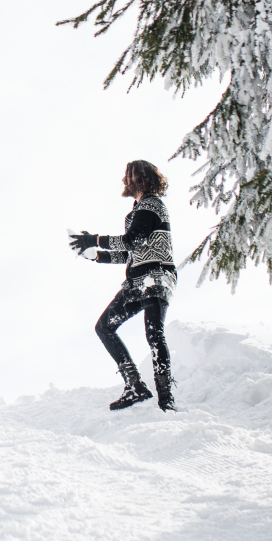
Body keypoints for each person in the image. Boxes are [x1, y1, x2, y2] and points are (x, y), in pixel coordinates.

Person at [69, 160, 177, 412]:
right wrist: (95, 253)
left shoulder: (151, 205)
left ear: (141, 178)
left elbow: (131, 240)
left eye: (127, 176)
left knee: (154, 333)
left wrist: (93, 238)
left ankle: (166, 400)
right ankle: (135, 387)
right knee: (104, 327)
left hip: (155, 276)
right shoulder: (139, 210)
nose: (123, 181)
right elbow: (131, 252)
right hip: (139, 280)